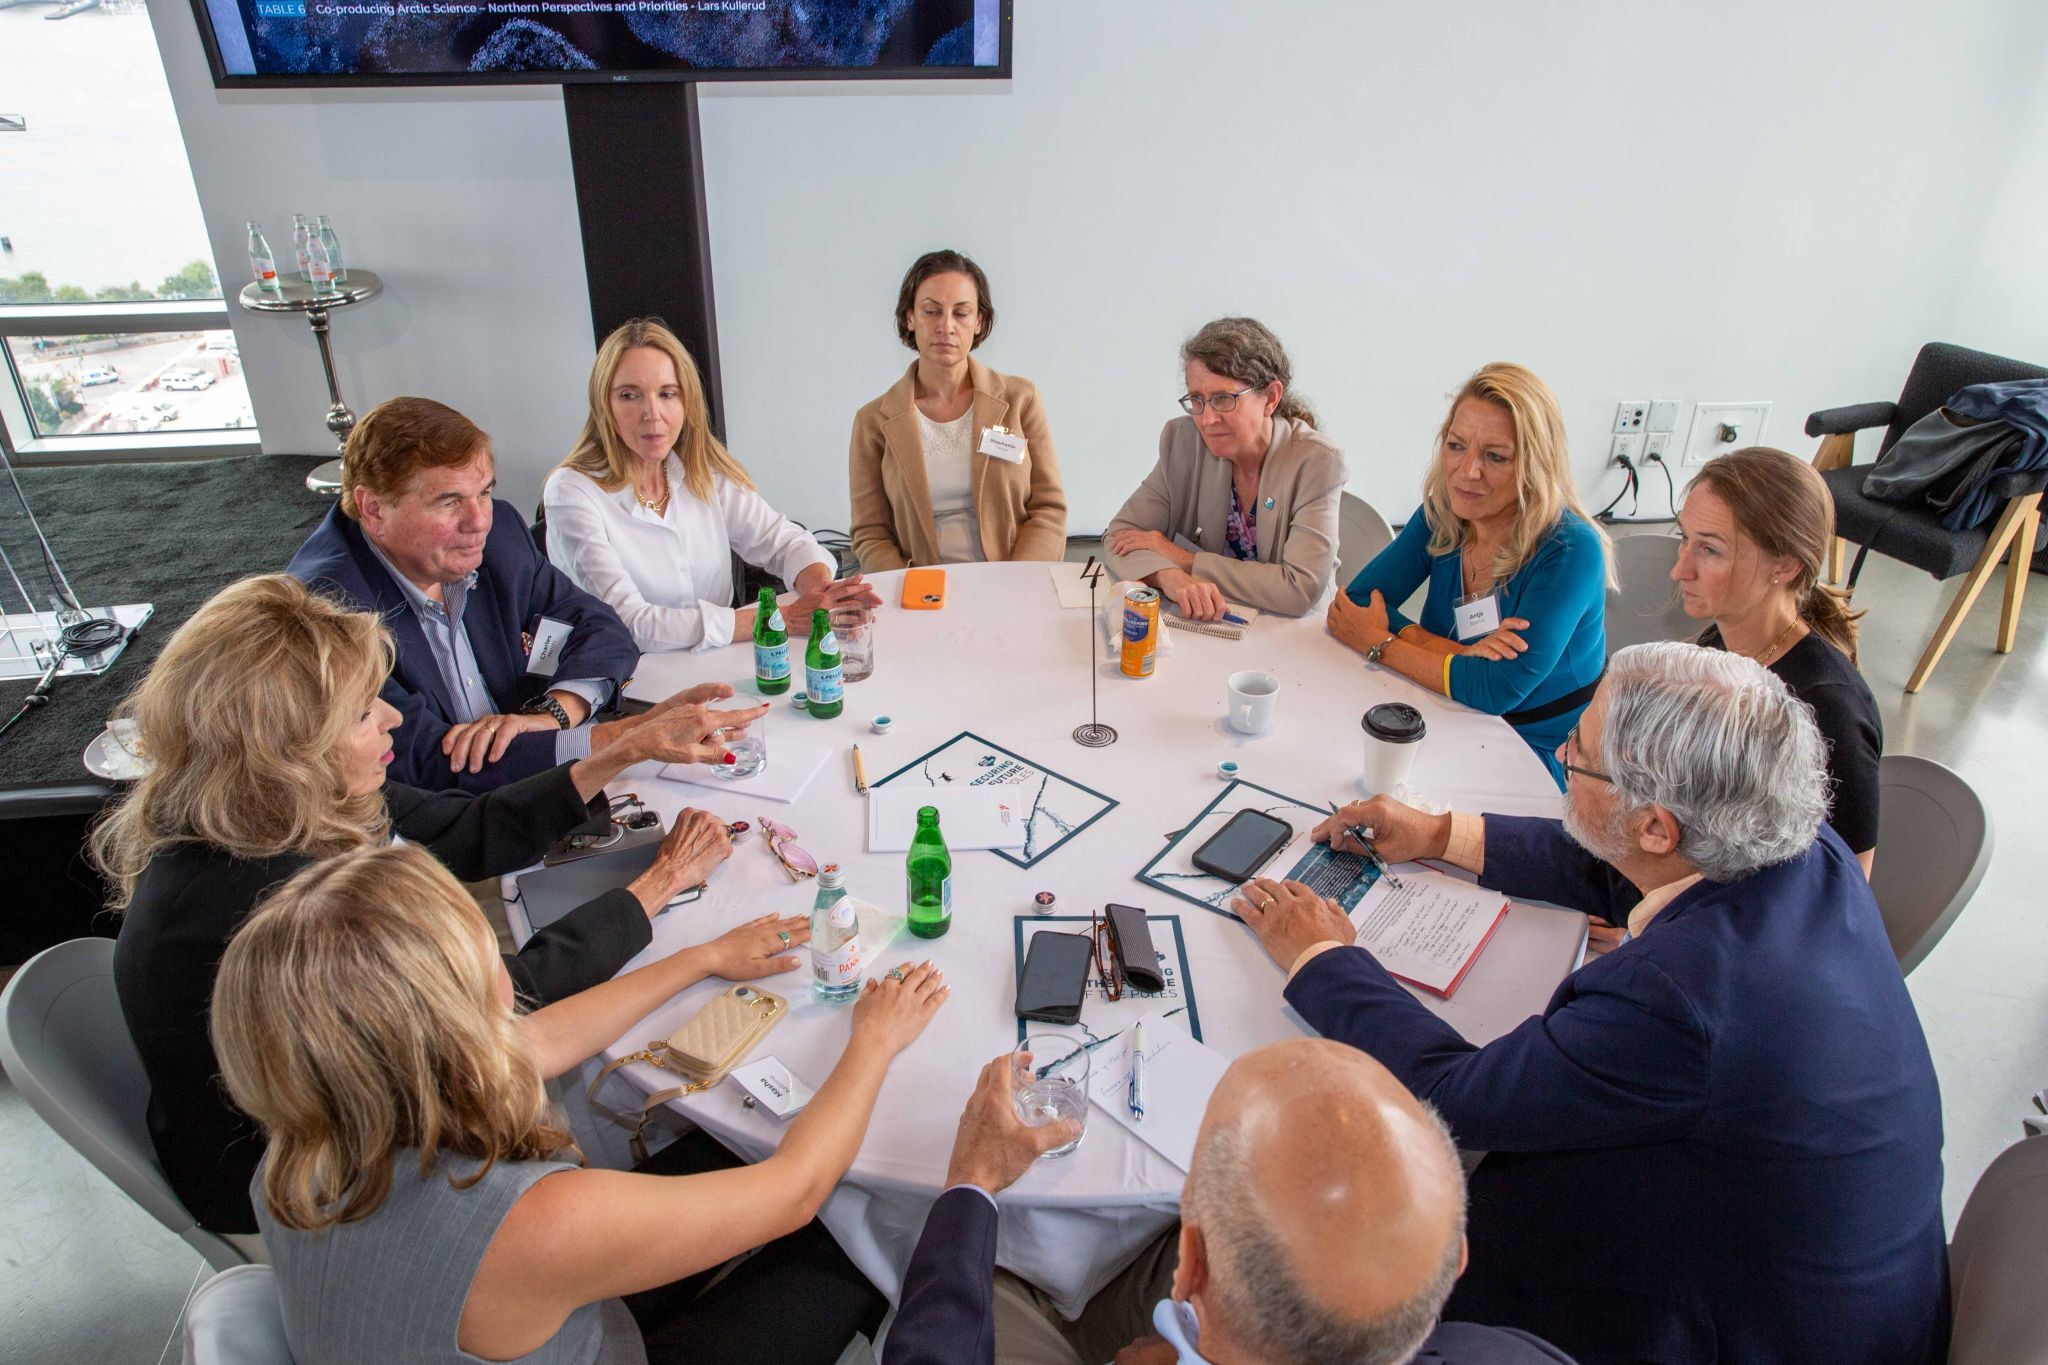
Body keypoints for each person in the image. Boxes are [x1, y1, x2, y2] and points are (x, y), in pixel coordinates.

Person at [1236, 642, 1948, 1365]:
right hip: (1841, 1281)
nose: (1566, 757)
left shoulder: (1677, 999)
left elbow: (1459, 1097)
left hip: (1734, 1328)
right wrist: (1441, 833)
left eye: (1578, 757)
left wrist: (1323, 956)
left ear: (1656, 825)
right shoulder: (1799, 845)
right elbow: (1633, 872)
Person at [97, 574, 768, 1241]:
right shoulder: (284, 908)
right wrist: (656, 886)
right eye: (364, 712)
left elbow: (467, 827)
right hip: (320, 1204)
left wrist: (624, 748)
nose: (392, 718)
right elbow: (501, 1005)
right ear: (290, 750)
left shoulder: (283, 801)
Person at [213, 842, 949, 1365]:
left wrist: (701, 957)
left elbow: (535, 1040)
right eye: (486, 961)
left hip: (499, 1314)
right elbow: (796, 1190)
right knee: (866, 1228)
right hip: (586, 1328)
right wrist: (874, 1041)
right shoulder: (531, 1223)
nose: (506, 973)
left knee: (730, 1159)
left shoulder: (318, 1123)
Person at [884, 1041, 1573, 1365]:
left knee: (992, 1272)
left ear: (1190, 1268)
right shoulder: (1524, 1356)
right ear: (1455, 1259)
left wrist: (972, 1177)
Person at [288, 395, 640, 792]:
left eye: (484, 493)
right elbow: (427, 763)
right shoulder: (325, 610)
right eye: (449, 501)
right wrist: (625, 742)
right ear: (373, 509)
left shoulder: (499, 534)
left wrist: (554, 713)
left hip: (543, 777)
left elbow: (601, 628)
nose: (478, 521)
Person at [1330, 364, 1610, 786]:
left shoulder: (1570, 549)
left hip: (1539, 753)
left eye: (1495, 457)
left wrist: (1379, 641)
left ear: (1535, 465)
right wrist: (1455, 655)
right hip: (1441, 713)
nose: (1467, 471)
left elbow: (1495, 690)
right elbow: (1356, 603)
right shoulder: (1444, 512)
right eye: (1457, 446)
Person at [547, 316, 882, 652]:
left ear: (686, 401)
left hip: (716, 662)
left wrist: (821, 595)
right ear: (604, 404)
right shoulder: (571, 492)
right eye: (630, 395)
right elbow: (631, 624)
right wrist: (779, 617)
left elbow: (782, 541)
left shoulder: (699, 469)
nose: (652, 413)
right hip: (627, 678)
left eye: (667, 394)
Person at [1675, 446, 1880, 875]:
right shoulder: (1719, 645)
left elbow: (1846, 882)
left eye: (1710, 550)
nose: (1680, 570)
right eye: (1684, 539)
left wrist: (1665, 913)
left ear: (1784, 566)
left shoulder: (1828, 709)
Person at [1102, 318, 1346, 620]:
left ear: (1270, 398)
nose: (1207, 419)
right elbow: (1120, 535)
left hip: (1296, 637)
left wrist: (1185, 560)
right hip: (1214, 629)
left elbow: (1298, 589)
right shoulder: (1182, 442)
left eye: (1223, 399)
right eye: (1197, 400)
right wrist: (1169, 577)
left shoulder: (1317, 461)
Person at [848, 249, 1067, 569]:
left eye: (961, 313)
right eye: (931, 311)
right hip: (921, 596)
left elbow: (1048, 509)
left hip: (1012, 584)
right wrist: (911, 592)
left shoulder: (1022, 400)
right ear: (910, 318)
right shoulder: (872, 422)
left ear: (979, 321)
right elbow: (870, 534)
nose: (946, 326)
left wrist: (1018, 582)